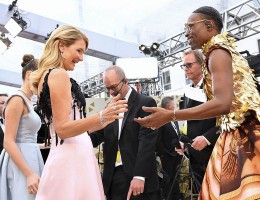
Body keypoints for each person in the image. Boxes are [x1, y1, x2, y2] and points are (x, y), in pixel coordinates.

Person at [134, 6, 260, 200]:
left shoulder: (217, 53)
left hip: (245, 135)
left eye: (190, 27)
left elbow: (223, 104)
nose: (186, 33)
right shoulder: (221, 52)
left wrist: (170, 115)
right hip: (242, 132)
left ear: (209, 25)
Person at [30, 25, 128, 200]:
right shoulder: (58, 74)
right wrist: (100, 116)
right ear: (61, 46)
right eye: (79, 51)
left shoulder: (46, 76)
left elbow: (74, 127)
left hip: (68, 153)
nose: (81, 58)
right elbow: (63, 129)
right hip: (72, 157)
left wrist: (105, 116)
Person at [89, 65, 159, 200]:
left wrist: (139, 176)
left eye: (113, 87)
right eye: (107, 88)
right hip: (114, 177)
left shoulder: (145, 103)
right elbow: (99, 135)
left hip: (137, 176)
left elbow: (147, 142)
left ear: (125, 81)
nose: (110, 92)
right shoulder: (110, 107)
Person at [0, 54, 44, 200]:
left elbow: (24, 136)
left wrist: (40, 145)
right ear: (29, 75)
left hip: (30, 157)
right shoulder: (17, 100)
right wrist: (29, 173)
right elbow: (8, 141)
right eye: (42, 78)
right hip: (20, 164)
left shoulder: (28, 101)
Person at [177, 49, 219, 191]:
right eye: (184, 66)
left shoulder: (214, 86)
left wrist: (207, 138)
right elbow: (188, 122)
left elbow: (228, 119)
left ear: (202, 64)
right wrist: (183, 140)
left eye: (189, 65)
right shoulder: (187, 92)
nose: (186, 69)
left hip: (214, 151)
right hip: (194, 154)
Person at [156, 96, 182, 200]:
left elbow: (177, 136)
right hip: (167, 156)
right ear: (168, 106)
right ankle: (168, 197)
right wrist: (163, 153)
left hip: (177, 154)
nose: (175, 106)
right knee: (168, 178)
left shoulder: (174, 119)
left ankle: (176, 196)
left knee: (176, 178)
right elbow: (158, 140)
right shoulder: (161, 120)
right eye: (174, 105)